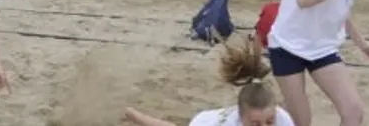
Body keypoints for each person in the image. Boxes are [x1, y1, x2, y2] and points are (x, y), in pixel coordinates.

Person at [124, 37, 295, 126]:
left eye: (270, 122)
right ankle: (133, 114)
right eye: (255, 125)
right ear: (240, 119)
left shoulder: (283, 119)